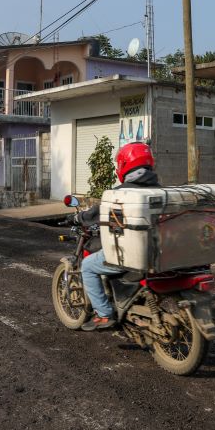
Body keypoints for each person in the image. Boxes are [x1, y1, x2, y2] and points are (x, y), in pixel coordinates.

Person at [76, 142, 160, 331]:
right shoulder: (160, 191)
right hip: (159, 252)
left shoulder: (119, 195)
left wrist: (79, 217)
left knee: (88, 266)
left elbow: (94, 215)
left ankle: (104, 314)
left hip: (133, 255)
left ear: (123, 165)